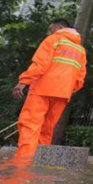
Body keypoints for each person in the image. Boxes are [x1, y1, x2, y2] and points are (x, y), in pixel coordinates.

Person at [12, 19, 87, 160]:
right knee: (46, 130)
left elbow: (40, 64)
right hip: (62, 94)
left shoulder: (53, 39)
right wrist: (65, 88)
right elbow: (80, 80)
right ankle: (39, 162)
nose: (50, 32)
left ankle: (23, 164)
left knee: (30, 126)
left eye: (51, 28)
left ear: (60, 27)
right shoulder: (80, 50)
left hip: (42, 90)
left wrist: (23, 82)